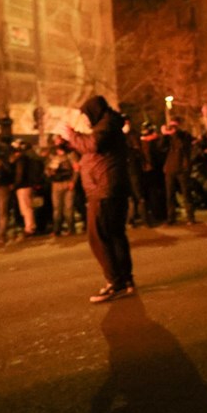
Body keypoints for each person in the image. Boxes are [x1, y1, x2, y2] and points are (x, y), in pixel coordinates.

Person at [61, 96, 135, 304]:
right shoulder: (110, 124)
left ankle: (115, 282)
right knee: (115, 235)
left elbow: (92, 144)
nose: (84, 119)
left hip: (104, 190)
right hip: (109, 188)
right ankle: (126, 280)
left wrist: (72, 135)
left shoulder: (107, 125)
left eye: (85, 115)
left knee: (99, 237)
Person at [160, 116, 196, 225]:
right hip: (169, 168)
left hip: (182, 168)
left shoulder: (185, 135)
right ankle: (171, 217)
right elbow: (161, 147)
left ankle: (190, 217)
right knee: (170, 194)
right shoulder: (168, 138)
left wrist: (175, 134)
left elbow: (183, 146)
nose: (172, 128)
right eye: (171, 125)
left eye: (174, 125)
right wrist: (164, 135)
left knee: (186, 193)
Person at [46, 137, 78, 236]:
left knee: (68, 207)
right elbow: (47, 169)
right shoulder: (52, 155)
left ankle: (71, 228)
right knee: (57, 208)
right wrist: (50, 172)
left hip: (67, 182)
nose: (58, 143)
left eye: (60, 141)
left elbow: (76, 168)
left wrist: (73, 181)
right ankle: (57, 230)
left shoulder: (71, 154)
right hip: (56, 183)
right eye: (56, 141)